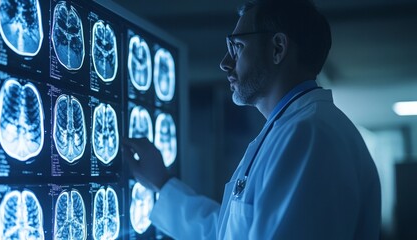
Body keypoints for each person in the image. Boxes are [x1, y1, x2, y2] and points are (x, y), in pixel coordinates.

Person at [123, 0, 381, 238]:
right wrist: (162, 183)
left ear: (278, 48)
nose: (225, 63)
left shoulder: (309, 136)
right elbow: (228, 233)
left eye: (237, 47)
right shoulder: (290, 130)